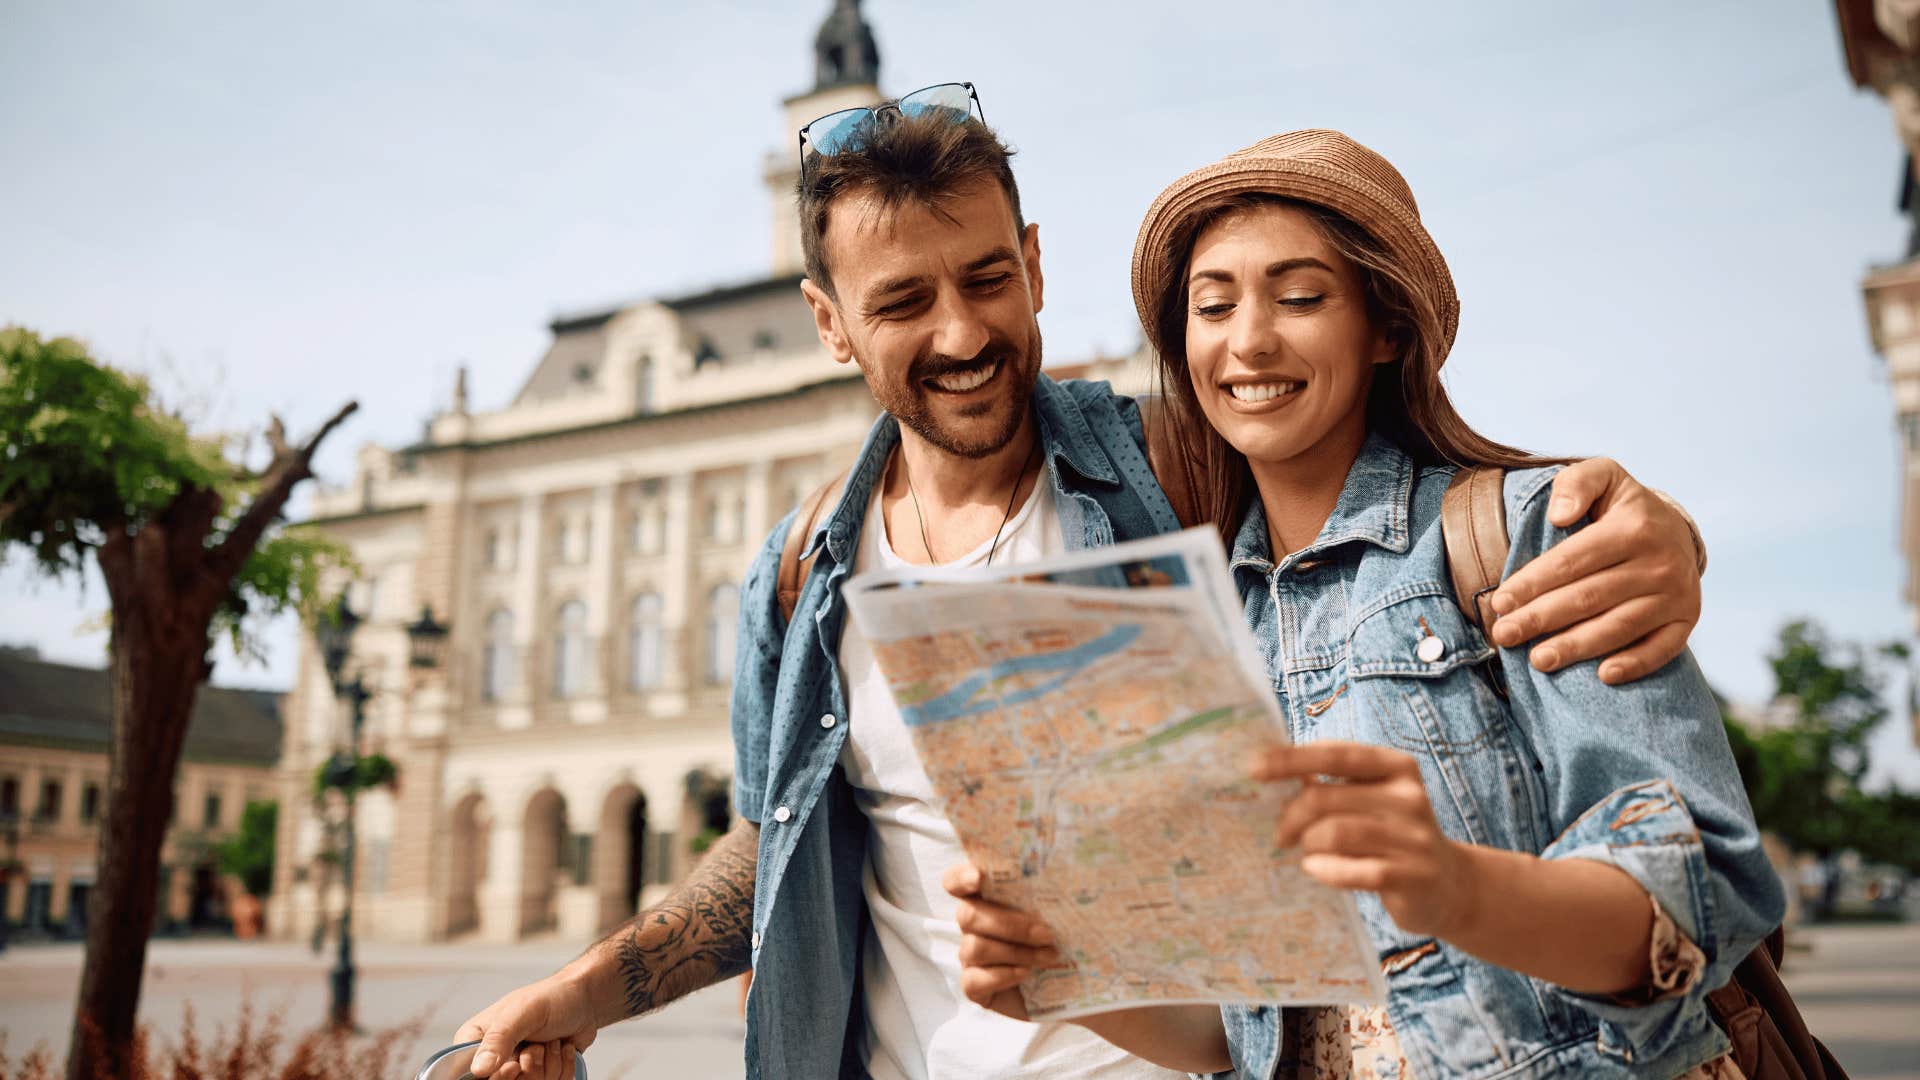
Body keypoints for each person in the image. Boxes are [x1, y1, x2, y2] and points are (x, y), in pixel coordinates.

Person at [456, 92, 1712, 1080]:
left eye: (987, 279)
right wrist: (585, 989)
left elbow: (1381, 489)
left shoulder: (1179, 466)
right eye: (901, 301)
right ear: (829, 324)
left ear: (1037, 265)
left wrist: (1659, 534)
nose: (960, 333)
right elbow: (778, 849)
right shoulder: (798, 575)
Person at [949, 130, 1781, 1078]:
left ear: (1387, 327)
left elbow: (1697, 896)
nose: (1249, 338)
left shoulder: (1531, 536)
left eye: (1301, 297)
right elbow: (1252, 1027)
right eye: (1211, 305)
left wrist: (1455, 888)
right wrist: (1068, 976)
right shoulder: (1208, 627)